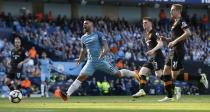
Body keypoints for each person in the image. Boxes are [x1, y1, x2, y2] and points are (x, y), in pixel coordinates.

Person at [59, 18, 125, 101]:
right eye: (84, 23)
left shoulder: (98, 34)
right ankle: (67, 95)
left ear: (91, 24)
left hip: (102, 60)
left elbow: (106, 47)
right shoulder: (83, 38)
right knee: (81, 77)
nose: (84, 25)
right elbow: (83, 50)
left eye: (86, 23)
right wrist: (80, 58)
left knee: (118, 74)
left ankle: (134, 73)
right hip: (91, 61)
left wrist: (104, 53)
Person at [159, 4, 208, 102]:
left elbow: (188, 33)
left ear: (178, 11)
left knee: (174, 76)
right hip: (173, 50)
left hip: (178, 51)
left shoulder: (182, 21)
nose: (170, 12)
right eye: (170, 10)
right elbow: (174, 38)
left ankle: (200, 77)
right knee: (165, 72)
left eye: (172, 10)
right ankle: (169, 96)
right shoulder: (174, 22)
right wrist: (167, 39)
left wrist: (174, 42)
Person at [131, 17, 165, 98]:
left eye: (146, 22)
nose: (144, 24)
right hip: (152, 58)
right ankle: (141, 91)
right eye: (143, 23)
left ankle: (173, 87)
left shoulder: (154, 32)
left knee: (159, 75)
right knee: (142, 72)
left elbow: (161, 44)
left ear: (150, 23)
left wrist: (153, 50)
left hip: (157, 57)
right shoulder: (146, 35)